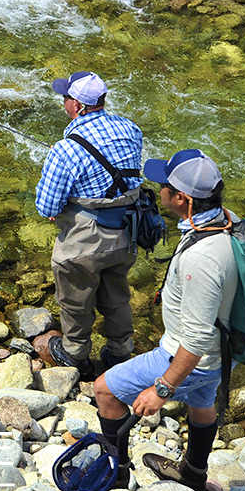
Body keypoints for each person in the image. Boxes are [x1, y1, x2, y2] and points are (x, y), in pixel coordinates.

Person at [92, 149, 238, 491]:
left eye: (164, 186)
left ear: (182, 199)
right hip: (223, 352)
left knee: (104, 389)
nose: (158, 190)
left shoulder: (202, 260)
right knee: (202, 403)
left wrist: (163, 389)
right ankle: (193, 473)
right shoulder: (228, 221)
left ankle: (116, 477)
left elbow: (196, 339)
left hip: (188, 357)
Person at [35, 71, 144, 379]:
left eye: (66, 98)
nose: (64, 102)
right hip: (127, 231)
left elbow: (46, 207)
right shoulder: (131, 128)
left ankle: (76, 356)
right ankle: (119, 353)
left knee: (76, 299)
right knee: (117, 295)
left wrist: (61, 203)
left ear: (78, 106)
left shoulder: (65, 149)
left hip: (86, 240)